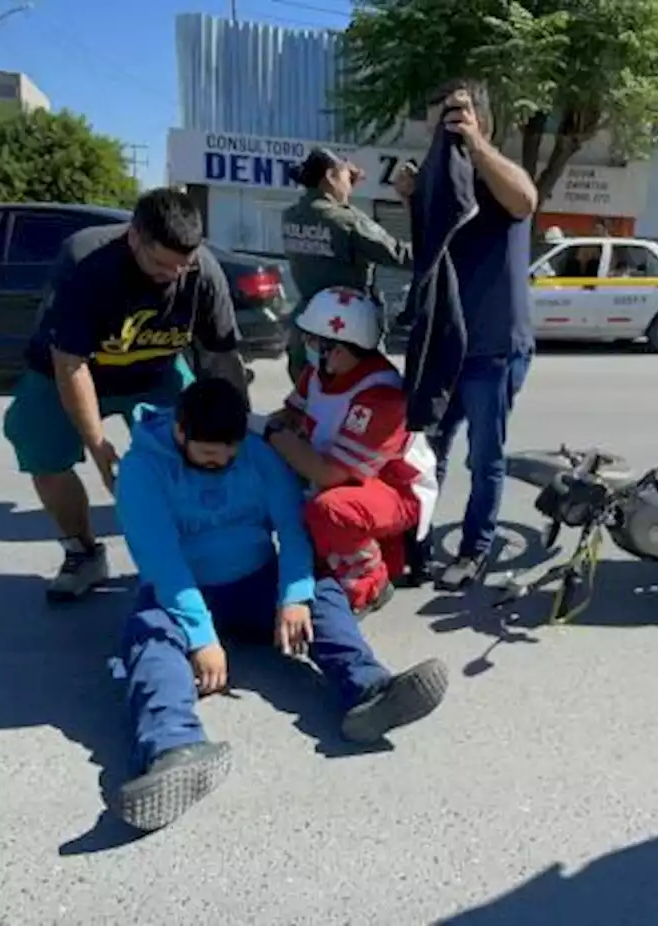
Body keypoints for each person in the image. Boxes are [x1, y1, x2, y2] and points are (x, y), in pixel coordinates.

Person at [113, 377, 449, 832]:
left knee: (323, 594)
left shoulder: (257, 451)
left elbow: (292, 530)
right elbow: (163, 562)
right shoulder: (140, 470)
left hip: (256, 579)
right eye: (208, 453)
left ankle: (369, 691)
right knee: (149, 639)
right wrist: (202, 637)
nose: (221, 461)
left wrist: (293, 597)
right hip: (181, 587)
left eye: (229, 451)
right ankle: (174, 750)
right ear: (179, 434)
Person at [2, 188, 249, 603]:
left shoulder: (203, 270)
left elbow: (222, 356)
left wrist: (234, 427)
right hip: (69, 370)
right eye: (160, 264)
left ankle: (188, 552)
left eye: (181, 267)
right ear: (135, 237)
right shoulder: (86, 261)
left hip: (155, 373)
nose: (171, 276)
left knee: (193, 448)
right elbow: (71, 364)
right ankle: (83, 553)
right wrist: (99, 448)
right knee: (41, 450)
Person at [422, 80, 539, 589]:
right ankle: (415, 542)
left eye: (460, 114)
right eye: (441, 117)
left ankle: (474, 550)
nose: (448, 124)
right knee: (429, 453)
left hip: (494, 347)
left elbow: (526, 199)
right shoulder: (442, 179)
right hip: (448, 347)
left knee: (484, 457)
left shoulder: (498, 175)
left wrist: (476, 142)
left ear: (482, 121)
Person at [265, 286, 439, 615]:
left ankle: (370, 582)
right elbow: (292, 414)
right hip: (352, 481)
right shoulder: (320, 373)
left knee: (328, 509)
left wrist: (273, 436)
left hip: (396, 490)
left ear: (343, 349)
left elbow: (328, 474)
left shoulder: (380, 397)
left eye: (318, 343)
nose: (310, 348)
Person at [281, 146, 417, 381]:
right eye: (345, 174)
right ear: (331, 176)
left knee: (311, 404)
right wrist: (413, 202)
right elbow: (403, 256)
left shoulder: (291, 214)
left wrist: (341, 187)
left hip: (306, 328)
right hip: (348, 332)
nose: (352, 179)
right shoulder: (346, 220)